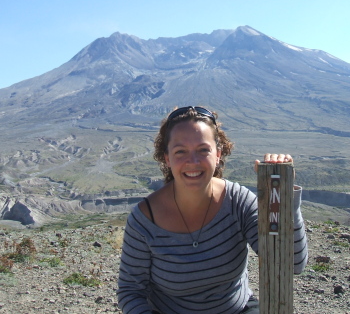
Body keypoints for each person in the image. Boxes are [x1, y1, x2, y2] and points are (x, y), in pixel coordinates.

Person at [117, 106, 308, 314]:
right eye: (181, 151)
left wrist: (282, 196)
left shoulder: (237, 202)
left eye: (203, 150)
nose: (193, 161)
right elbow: (130, 291)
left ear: (218, 154)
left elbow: (292, 263)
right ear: (167, 158)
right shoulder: (145, 219)